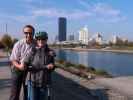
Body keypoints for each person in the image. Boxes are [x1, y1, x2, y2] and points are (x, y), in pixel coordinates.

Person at [21, 31, 55, 100]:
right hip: (33, 83)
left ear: (46, 40)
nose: (41, 41)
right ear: (36, 40)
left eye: (43, 39)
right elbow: (26, 66)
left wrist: (52, 66)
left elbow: (52, 67)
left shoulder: (50, 52)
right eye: (39, 39)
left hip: (44, 83)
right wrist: (45, 67)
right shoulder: (32, 51)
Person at [9, 25, 35, 100]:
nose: (28, 35)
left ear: (33, 33)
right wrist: (20, 66)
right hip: (17, 69)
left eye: (30, 33)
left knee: (27, 92)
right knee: (15, 93)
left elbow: (44, 47)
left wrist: (50, 51)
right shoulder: (18, 44)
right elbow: (13, 60)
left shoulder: (35, 43)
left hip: (29, 71)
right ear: (23, 33)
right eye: (26, 33)